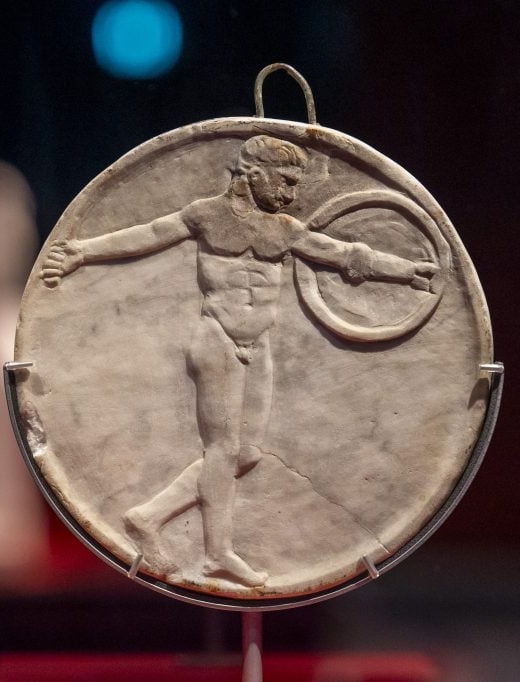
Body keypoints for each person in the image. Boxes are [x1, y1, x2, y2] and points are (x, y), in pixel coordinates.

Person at [42, 136, 438, 587]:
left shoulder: (283, 228)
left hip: (259, 344)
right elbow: (147, 236)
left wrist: (406, 271)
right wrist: (81, 252)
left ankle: (149, 516)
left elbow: (339, 254)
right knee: (223, 449)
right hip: (217, 340)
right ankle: (218, 554)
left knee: (246, 453)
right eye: (285, 181)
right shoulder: (206, 215)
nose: (291, 194)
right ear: (253, 173)